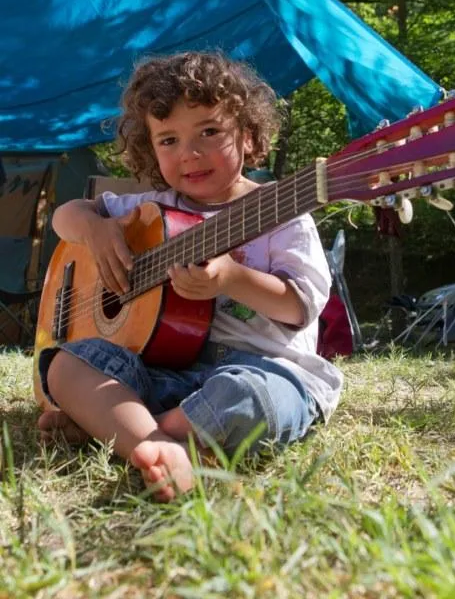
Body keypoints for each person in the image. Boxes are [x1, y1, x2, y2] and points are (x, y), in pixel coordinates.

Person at [37, 51, 343, 501]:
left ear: (248, 135)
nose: (190, 153)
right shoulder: (147, 211)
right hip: (160, 374)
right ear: (150, 148)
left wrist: (232, 279)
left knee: (246, 398)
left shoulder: (282, 210)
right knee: (66, 364)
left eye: (210, 132)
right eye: (168, 140)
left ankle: (130, 433)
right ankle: (167, 444)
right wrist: (94, 229)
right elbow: (64, 217)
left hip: (260, 370)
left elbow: (299, 306)